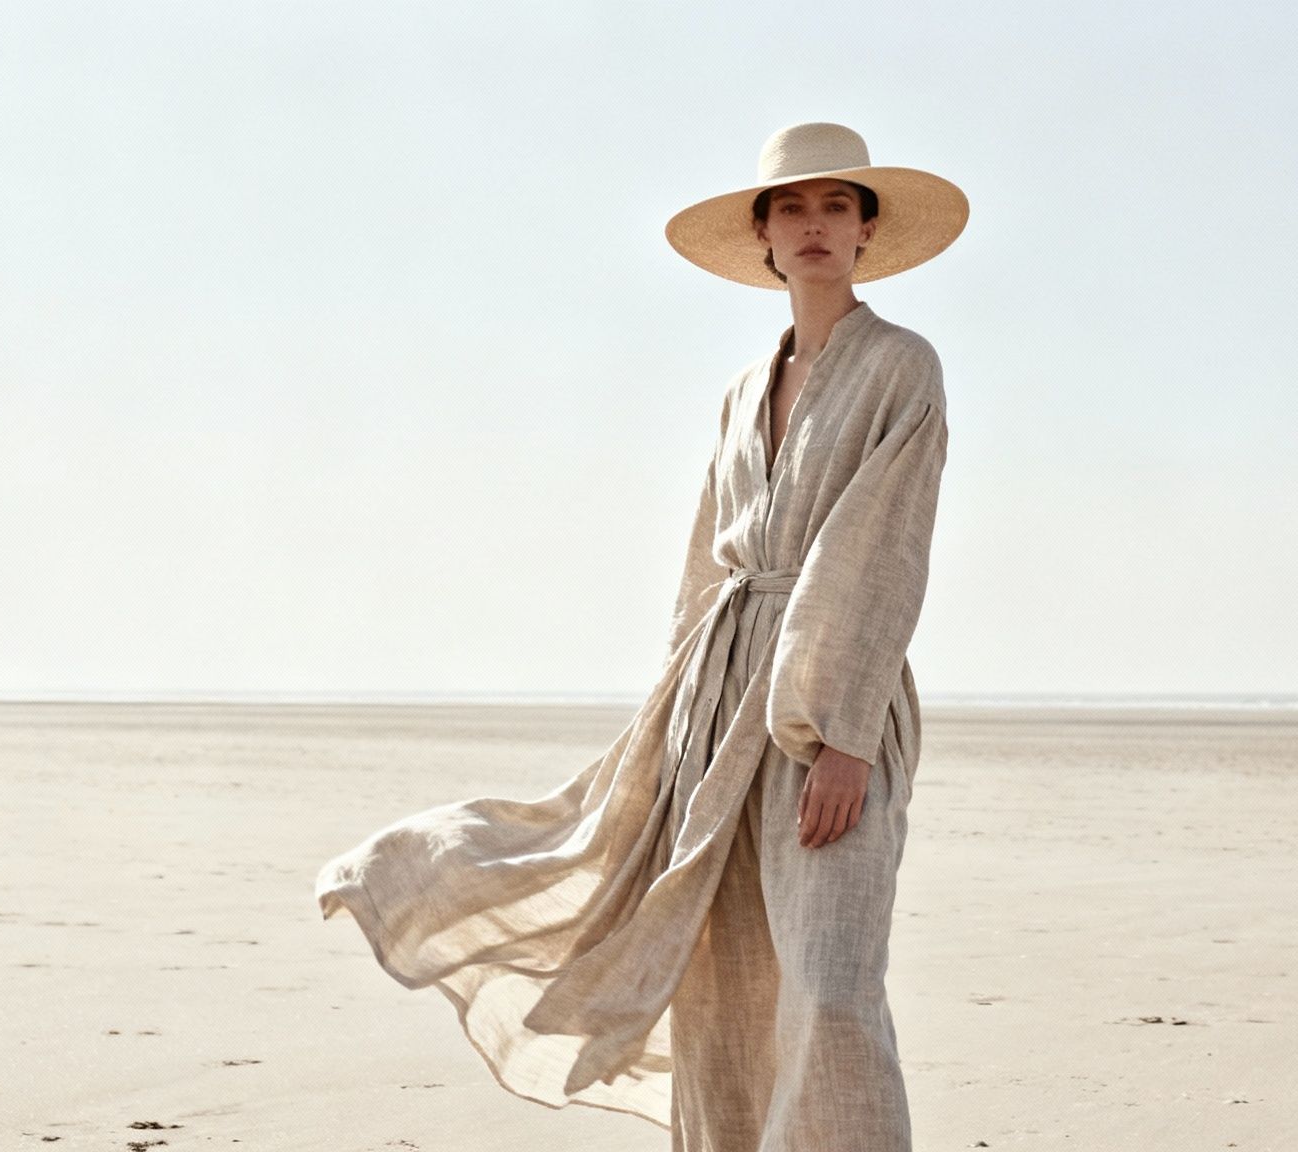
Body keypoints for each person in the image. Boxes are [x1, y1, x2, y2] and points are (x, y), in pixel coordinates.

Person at [315, 121, 966, 1152]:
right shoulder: (741, 393)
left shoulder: (900, 367)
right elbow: (708, 560)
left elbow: (882, 549)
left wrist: (843, 732)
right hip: (717, 693)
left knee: (832, 980)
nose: (812, 226)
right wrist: (677, 719)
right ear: (761, 234)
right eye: (790, 208)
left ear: (865, 229)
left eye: (834, 207)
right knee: (724, 976)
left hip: (828, 706)